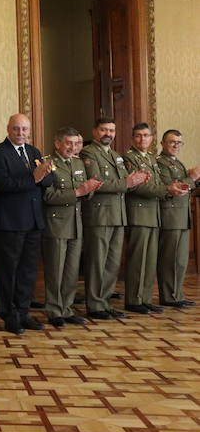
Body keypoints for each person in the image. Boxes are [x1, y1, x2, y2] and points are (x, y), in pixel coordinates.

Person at [0, 114, 55, 334]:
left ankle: (24, 313)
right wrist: (34, 178)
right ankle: (10, 316)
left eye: (24, 129)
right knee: (9, 271)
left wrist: (43, 175)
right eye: (16, 129)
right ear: (8, 129)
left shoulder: (34, 151)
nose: (21, 133)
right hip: (10, 222)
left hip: (34, 221)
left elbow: (48, 180)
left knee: (28, 271)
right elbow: (4, 185)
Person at [80, 118, 149, 320]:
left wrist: (135, 180)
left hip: (118, 215)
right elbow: (97, 183)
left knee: (112, 263)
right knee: (97, 262)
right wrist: (126, 182)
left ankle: (105, 301)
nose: (108, 134)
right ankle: (94, 305)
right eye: (103, 130)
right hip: (99, 215)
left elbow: (126, 181)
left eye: (111, 130)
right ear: (94, 132)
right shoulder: (88, 153)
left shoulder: (116, 156)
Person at [42, 128, 102, 328]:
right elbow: (48, 196)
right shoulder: (48, 163)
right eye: (68, 143)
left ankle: (67, 309)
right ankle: (54, 310)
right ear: (58, 143)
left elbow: (85, 193)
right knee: (56, 271)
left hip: (76, 223)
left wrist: (90, 190)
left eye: (76, 143)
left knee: (71, 271)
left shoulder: (78, 163)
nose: (73, 147)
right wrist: (78, 191)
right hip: (57, 223)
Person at [123, 123, 183, 314]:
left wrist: (165, 188)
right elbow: (136, 186)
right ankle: (133, 300)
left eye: (146, 136)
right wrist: (166, 189)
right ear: (133, 138)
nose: (143, 139)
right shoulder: (129, 158)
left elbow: (155, 183)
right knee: (138, 259)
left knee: (149, 260)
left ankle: (145, 298)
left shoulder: (150, 158)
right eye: (138, 136)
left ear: (151, 138)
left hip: (153, 214)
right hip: (139, 213)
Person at [156, 129, 200, 308]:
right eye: (172, 142)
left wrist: (194, 181)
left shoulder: (177, 163)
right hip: (171, 215)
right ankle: (169, 297)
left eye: (179, 143)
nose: (176, 145)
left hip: (182, 216)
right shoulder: (160, 163)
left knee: (180, 260)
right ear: (162, 144)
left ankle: (176, 294)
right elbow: (173, 188)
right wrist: (191, 178)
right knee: (170, 259)